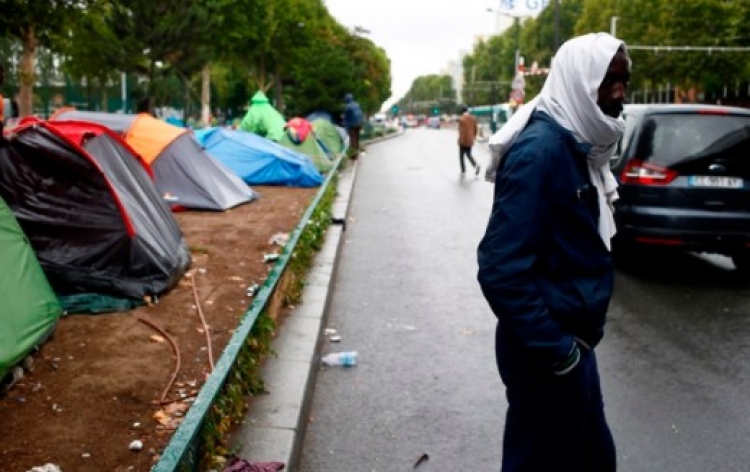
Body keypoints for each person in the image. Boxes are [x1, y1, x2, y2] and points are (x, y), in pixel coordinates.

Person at [477, 32, 630, 472]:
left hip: (572, 343)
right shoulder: (540, 152)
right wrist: (558, 351)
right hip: (548, 352)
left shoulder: (578, 144)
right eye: (609, 81)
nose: (619, 92)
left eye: (624, 81)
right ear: (581, 82)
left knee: (593, 458)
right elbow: (500, 269)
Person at [457, 105, 480, 177]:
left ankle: (463, 170)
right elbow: (476, 129)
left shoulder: (461, 119)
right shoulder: (473, 118)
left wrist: (460, 140)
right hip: (470, 140)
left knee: (461, 156)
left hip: (463, 141)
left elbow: (462, 131)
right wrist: (473, 137)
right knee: (469, 154)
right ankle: (476, 165)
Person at [343, 93, 364, 158]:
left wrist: (344, 120)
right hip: (360, 124)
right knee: (357, 138)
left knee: (353, 139)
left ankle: (354, 154)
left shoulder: (347, 106)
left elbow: (347, 117)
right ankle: (357, 150)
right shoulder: (357, 104)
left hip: (353, 124)